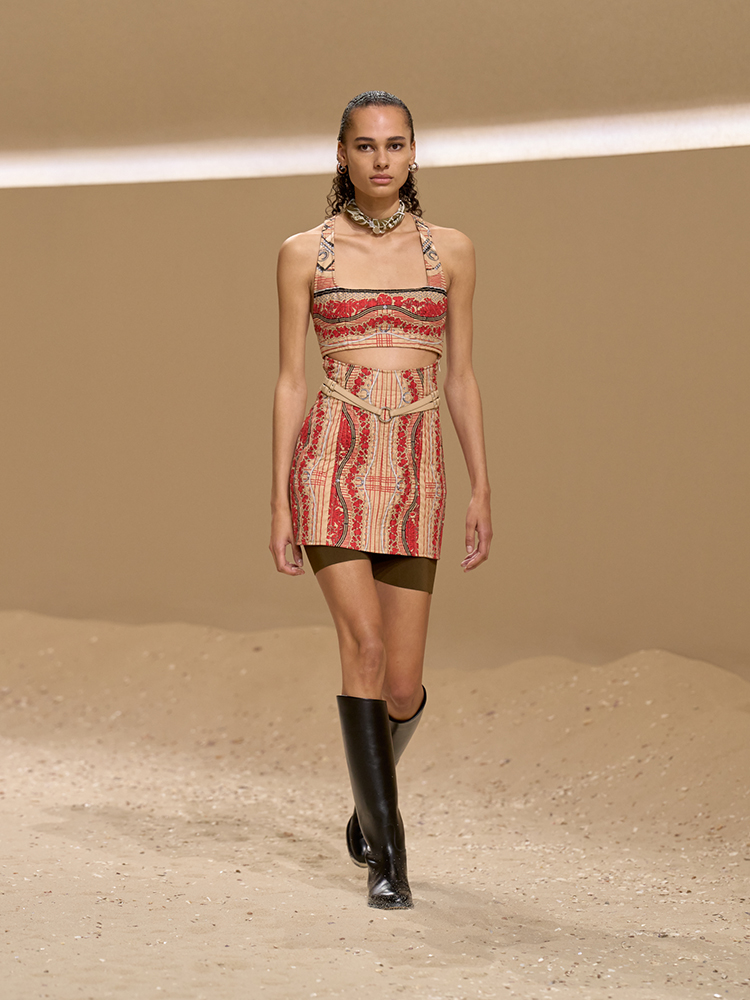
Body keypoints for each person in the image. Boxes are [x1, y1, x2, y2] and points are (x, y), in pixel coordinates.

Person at [270, 91, 492, 909]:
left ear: (413, 153)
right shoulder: (305, 253)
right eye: (365, 145)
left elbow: (461, 376)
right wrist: (278, 501)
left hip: (418, 463)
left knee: (401, 687)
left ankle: (369, 805)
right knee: (361, 649)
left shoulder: (451, 251)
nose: (381, 158)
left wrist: (481, 484)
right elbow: (290, 381)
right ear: (342, 155)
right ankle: (389, 860)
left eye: (395, 144)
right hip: (331, 455)